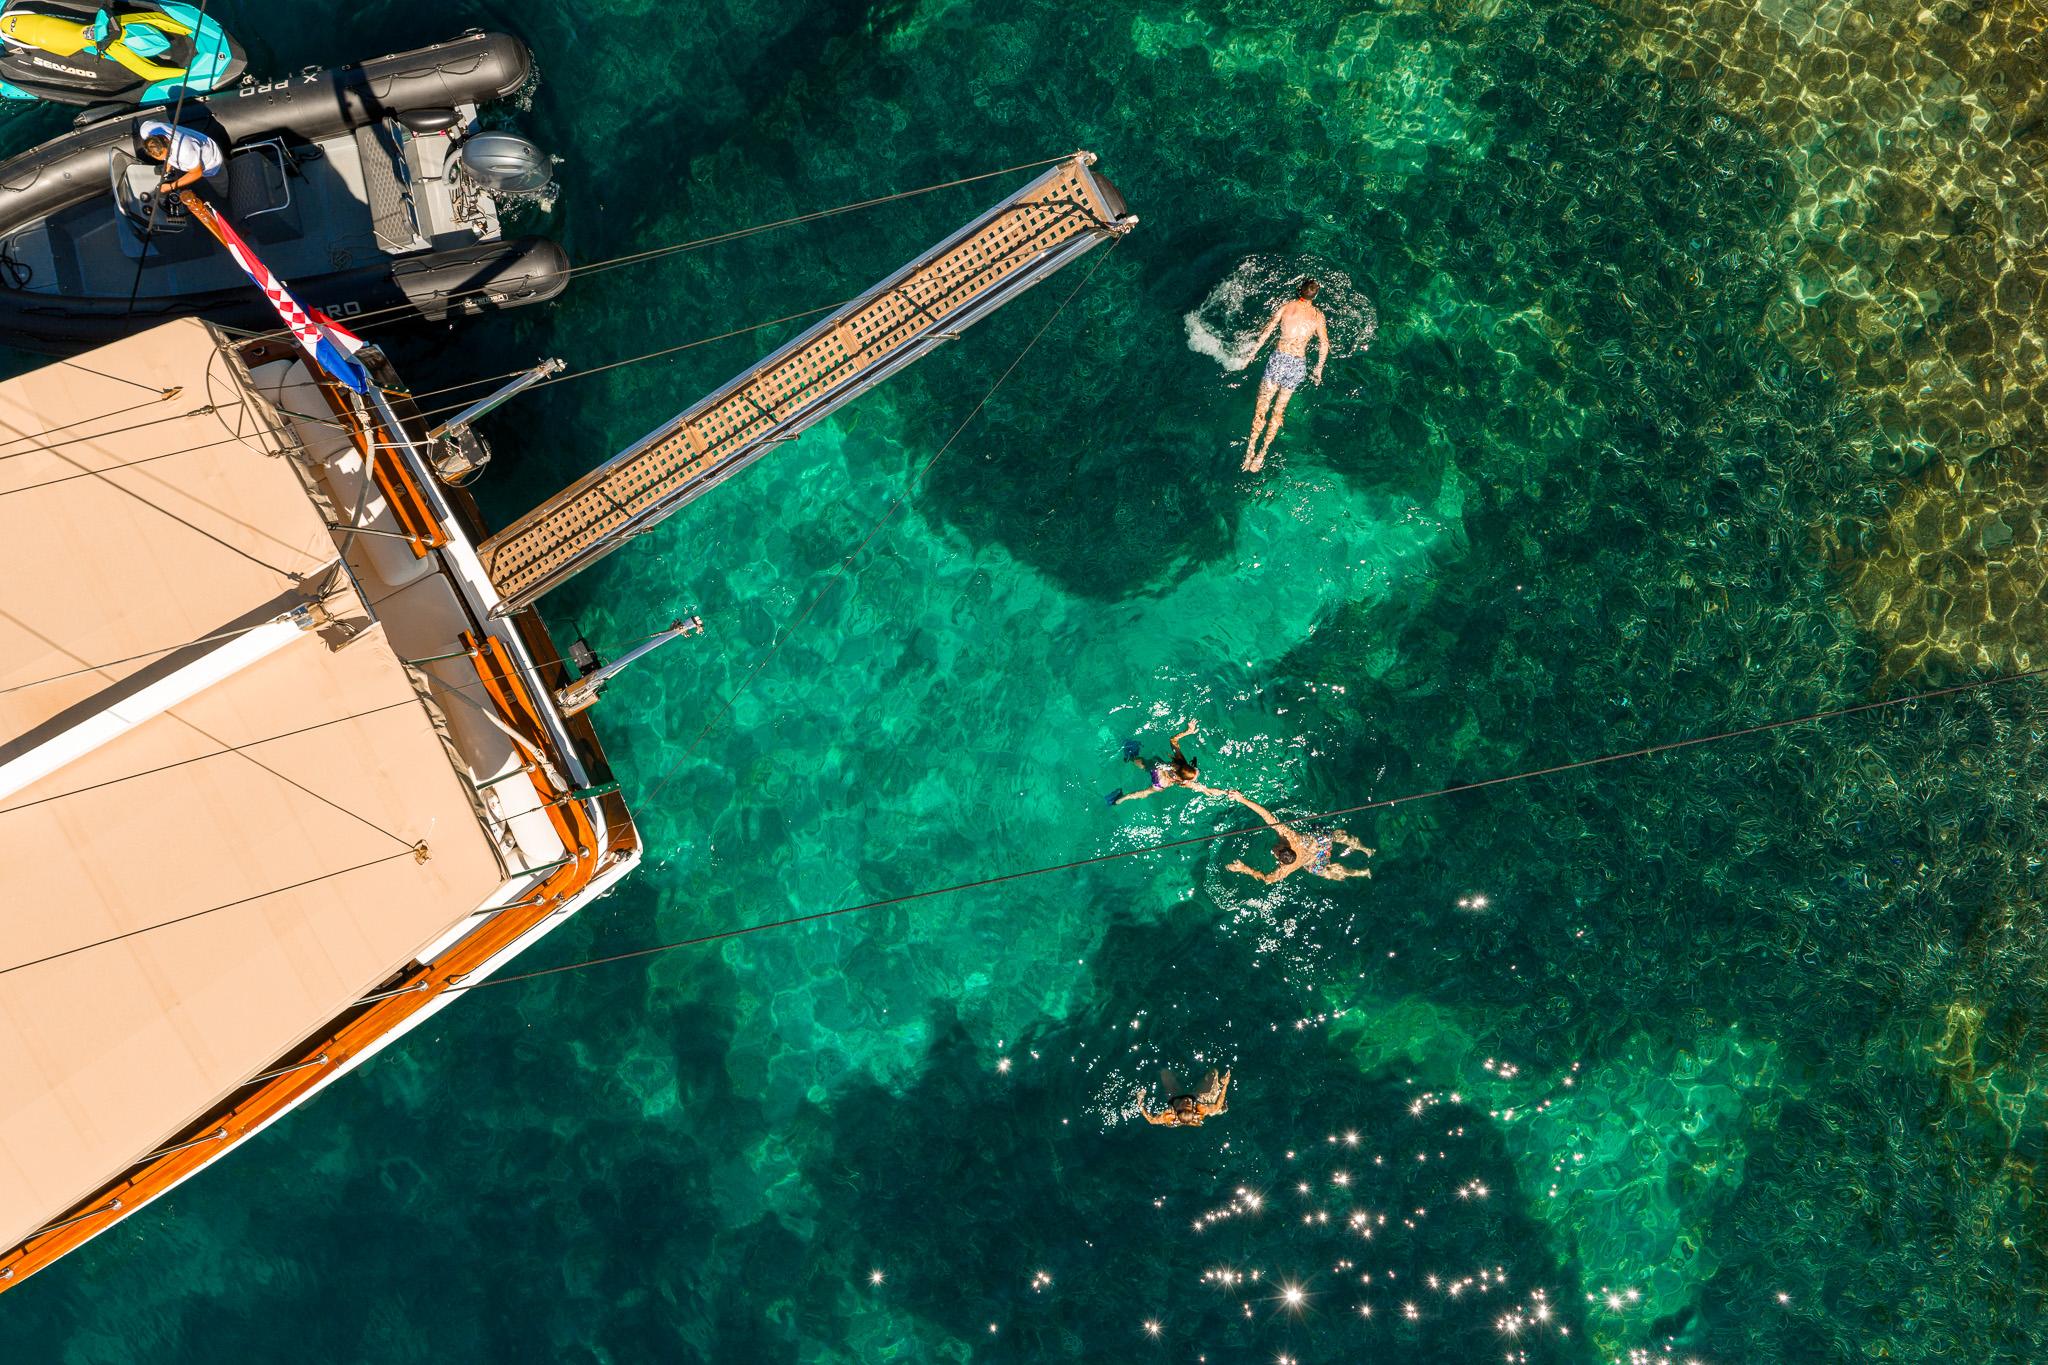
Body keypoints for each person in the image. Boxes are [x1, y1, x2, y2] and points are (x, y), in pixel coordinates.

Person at [1242, 278, 1331, 473]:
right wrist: (1318, 369)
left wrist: (1251, 354)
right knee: (1278, 412)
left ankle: (1250, 451)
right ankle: (1262, 454)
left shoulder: (1287, 307)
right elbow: (1324, 344)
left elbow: (1267, 331)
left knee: (1261, 409)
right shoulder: (1318, 316)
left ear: (1299, 291)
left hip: (1279, 360)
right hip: (1298, 365)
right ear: (1315, 296)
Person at [1220, 788, 1373, 883]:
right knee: (1331, 836)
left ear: (1280, 856)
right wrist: (1242, 799)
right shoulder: (1289, 837)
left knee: (1325, 870)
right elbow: (1266, 815)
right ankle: (1366, 854)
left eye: (1276, 852)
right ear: (1284, 847)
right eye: (1277, 850)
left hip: (1314, 861)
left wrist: (1244, 868)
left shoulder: (1286, 868)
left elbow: (1267, 879)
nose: (1274, 850)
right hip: (1318, 846)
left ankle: (1362, 871)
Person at [1109, 719, 1214, 806]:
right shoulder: (1184, 774)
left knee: (1152, 765)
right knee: (1153, 769)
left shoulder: (1180, 767)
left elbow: (1173, 740)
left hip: (1159, 779)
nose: (1197, 770)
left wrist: (1188, 731)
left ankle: (1129, 759)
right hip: (1160, 778)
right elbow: (1173, 740)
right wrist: (1188, 731)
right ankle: (1119, 799)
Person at [137, 117, 225, 199]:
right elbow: (153, 121)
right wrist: (168, 165)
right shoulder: (146, 130)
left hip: (211, 162)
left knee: (221, 184)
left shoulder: (185, 151)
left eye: (169, 154)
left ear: (167, 140)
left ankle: (224, 198)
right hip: (192, 159)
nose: (167, 158)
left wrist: (171, 186)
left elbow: (197, 173)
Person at [1142, 1069, 1231, 1127]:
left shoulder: (1170, 1115)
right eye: (1187, 1104)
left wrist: (1140, 1101)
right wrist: (1225, 1084)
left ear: (1177, 1109)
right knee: (1214, 1072)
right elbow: (1218, 1105)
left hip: (1178, 1097)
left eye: (1184, 1104)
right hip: (1195, 1098)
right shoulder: (1200, 1109)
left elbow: (1151, 1120)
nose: (1187, 1100)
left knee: (1164, 1072)